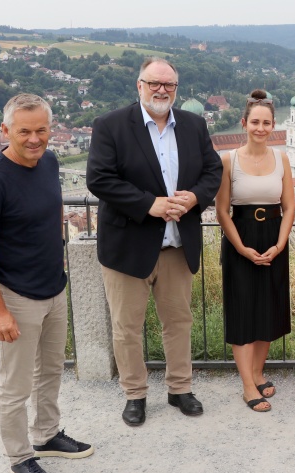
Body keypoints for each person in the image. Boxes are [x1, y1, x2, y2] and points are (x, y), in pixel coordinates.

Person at [0, 94, 94, 473]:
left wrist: (59, 248)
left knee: (51, 372)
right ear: (5, 132)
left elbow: (49, 210)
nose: (35, 138)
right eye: (25, 131)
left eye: (41, 130)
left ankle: (46, 434)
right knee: (15, 385)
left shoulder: (49, 162)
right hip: (16, 295)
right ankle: (20, 457)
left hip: (53, 288)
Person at [86, 57, 222, 425]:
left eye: (169, 85)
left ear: (176, 89)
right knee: (126, 327)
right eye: (154, 83)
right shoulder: (111, 125)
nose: (162, 90)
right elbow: (99, 179)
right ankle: (135, 394)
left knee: (179, 322)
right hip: (128, 246)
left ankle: (180, 389)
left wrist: (194, 197)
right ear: (139, 85)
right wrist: (150, 204)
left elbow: (214, 171)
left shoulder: (193, 124)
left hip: (178, 245)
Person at [216, 90, 294, 412]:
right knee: (243, 311)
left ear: (273, 125)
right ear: (244, 123)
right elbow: (222, 211)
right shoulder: (228, 160)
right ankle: (248, 384)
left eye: (267, 123)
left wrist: (279, 244)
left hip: (274, 238)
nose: (260, 128)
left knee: (268, 308)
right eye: (255, 122)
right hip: (241, 237)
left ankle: (259, 372)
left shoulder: (282, 158)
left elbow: (289, 207)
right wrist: (242, 249)